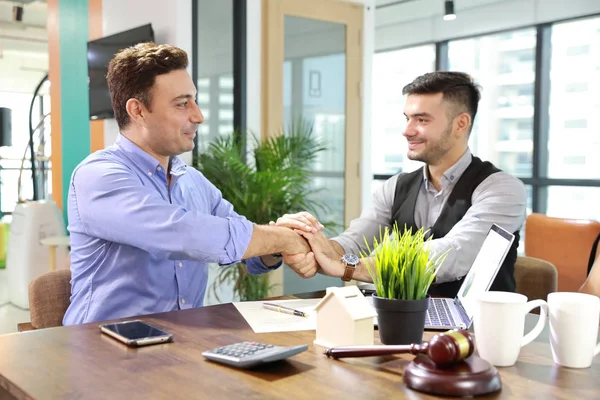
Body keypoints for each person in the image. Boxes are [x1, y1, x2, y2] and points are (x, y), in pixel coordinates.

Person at [63, 43, 318, 325]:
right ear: (137, 111)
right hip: (103, 352)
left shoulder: (193, 181)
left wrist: (277, 243)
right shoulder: (99, 176)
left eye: (194, 101)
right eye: (183, 104)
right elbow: (181, 234)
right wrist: (284, 238)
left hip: (182, 345)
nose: (198, 116)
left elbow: (248, 253)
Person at [275, 72, 527, 298]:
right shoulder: (396, 187)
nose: (407, 131)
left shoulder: (502, 189)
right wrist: (311, 240)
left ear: (461, 123)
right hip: (403, 325)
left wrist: (350, 268)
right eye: (407, 118)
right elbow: (353, 243)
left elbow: (453, 253)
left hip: (477, 334)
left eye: (422, 120)